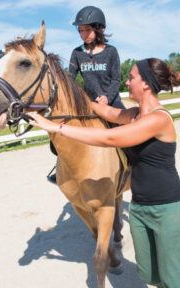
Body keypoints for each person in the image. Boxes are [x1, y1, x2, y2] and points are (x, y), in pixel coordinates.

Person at [28, 58, 180, 288]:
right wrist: (70, 98)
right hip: (140, 209)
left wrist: (56, 127)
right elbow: (105, 111)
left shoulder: (158, 119)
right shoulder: (135, 114)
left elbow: (109, 138)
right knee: (150, 275)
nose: (127, 81)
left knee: (173, 280)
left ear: (145, 84)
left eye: (131, 77)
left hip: (169, 209)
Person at [49, 5, 125, 184]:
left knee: (125, 132)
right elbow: (70, 80)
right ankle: (61, 168)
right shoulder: (77, 53)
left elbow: (116, 79)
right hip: (89, 105)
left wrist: (107, 97)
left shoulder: (111, 52)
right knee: (60, 135)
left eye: (87, 30)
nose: (84, 34)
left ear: (99, 29)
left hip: (112, 102)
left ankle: (134, 165)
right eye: (81, 30)